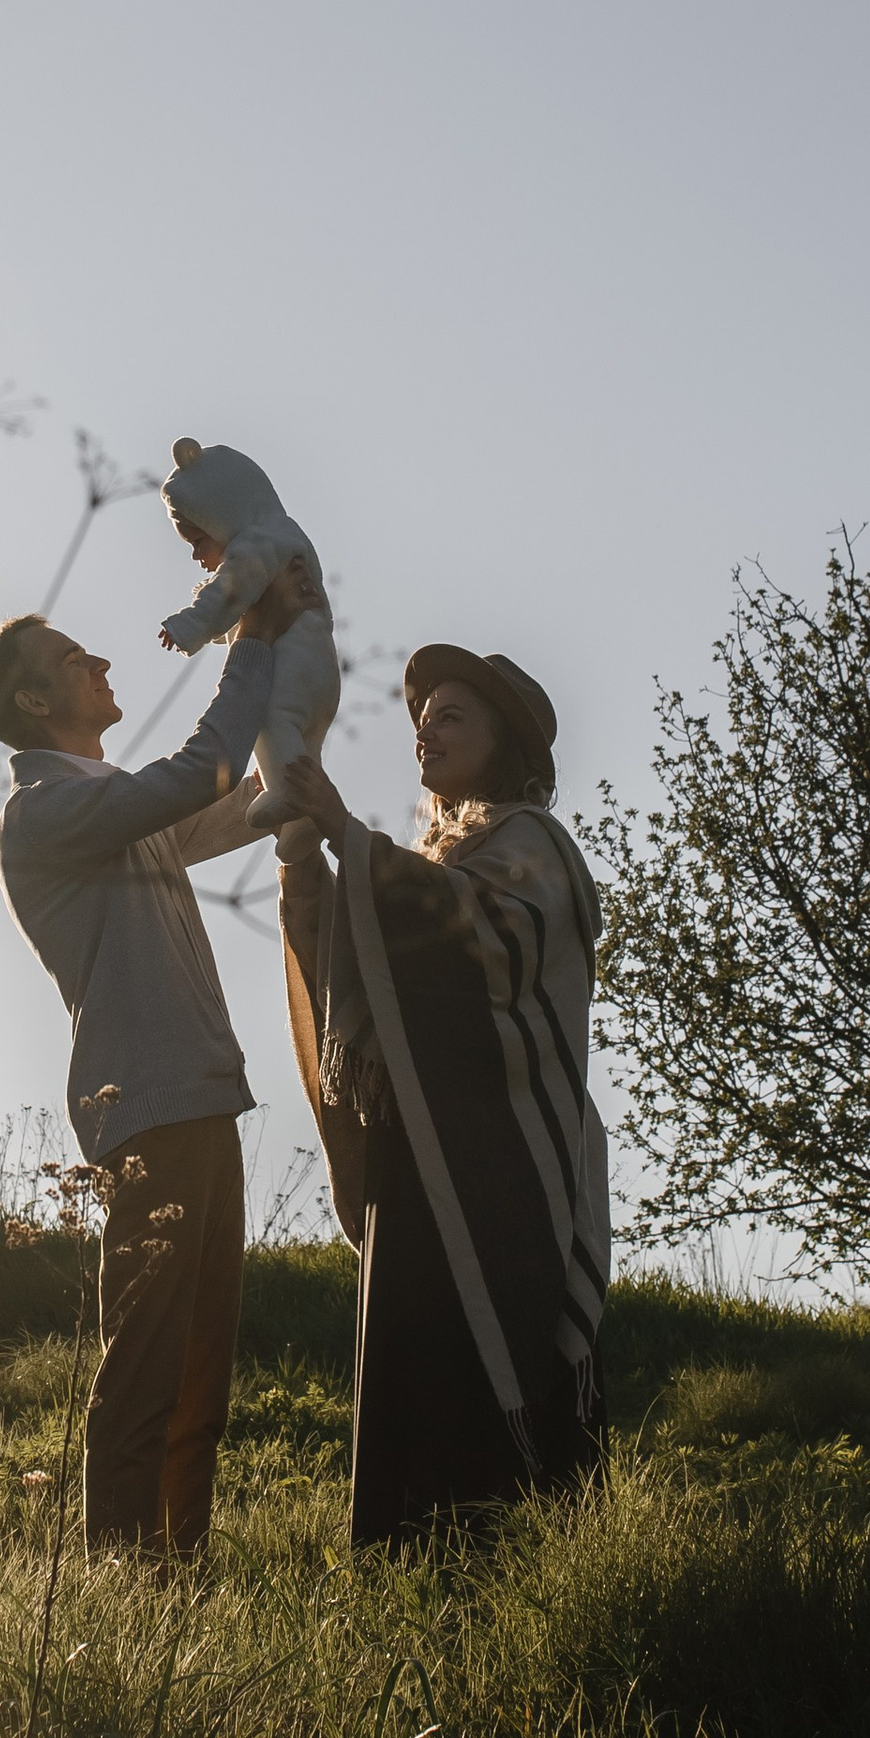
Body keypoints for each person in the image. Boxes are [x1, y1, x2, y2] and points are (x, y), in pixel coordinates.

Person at [0, 575, 313, 1560]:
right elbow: (202, 773)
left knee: (201, 1372)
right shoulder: (45, 813)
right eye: (77, 659)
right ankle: (120, 1576)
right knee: (148, 1362)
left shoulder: (108, 806)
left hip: (200, 1098)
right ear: (34, 703)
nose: (102, 663)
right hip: (147, 1108)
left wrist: (295, 696)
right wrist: (251, 638)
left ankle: (176, 1574)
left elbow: (238, 804)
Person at [277, 648, 611, 1549]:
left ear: (505, 743)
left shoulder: (534, 844)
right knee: (405, 1356)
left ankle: (498, 1563)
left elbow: (482, 936)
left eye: (454, 713)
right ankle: (402, 1568)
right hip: (418, 1153)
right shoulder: (429, 856)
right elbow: (372, 960)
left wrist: (348, 838)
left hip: (502, 1168)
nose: (427, 727)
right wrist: (312, 870)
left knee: (477, 1353)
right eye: (422, 716)